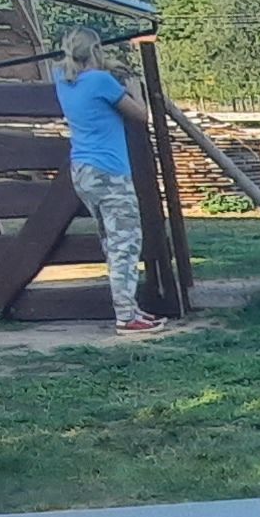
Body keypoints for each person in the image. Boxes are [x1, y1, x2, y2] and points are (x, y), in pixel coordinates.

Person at [52, 25, 162, 337]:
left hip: (82, 170)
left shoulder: (62, 79)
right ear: (96, 51)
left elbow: (69, 68)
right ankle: (126, 316)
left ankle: (129, 307)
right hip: (110, 171)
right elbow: (139, 115)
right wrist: (133, 86)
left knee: (110, 240)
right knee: (125, 244)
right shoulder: (101, 81)